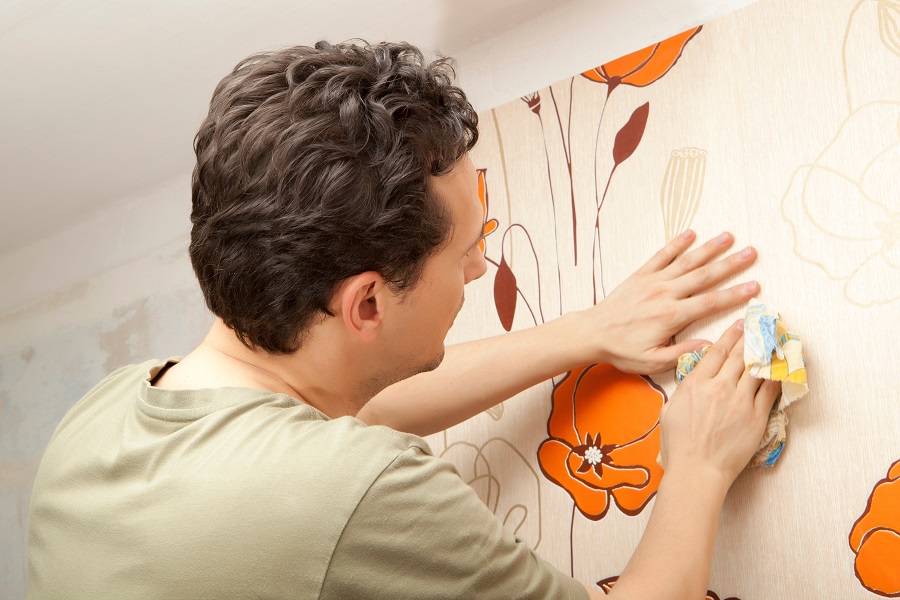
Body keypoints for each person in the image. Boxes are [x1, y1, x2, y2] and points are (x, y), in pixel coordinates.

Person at [27, 41, 779, 599]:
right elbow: (339, 475)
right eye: (467, 251)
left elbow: (345, 420)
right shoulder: (362, 489)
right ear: (367, 304)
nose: (480, 269)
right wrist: (701, 463)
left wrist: (585, 330)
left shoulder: (98, 419)